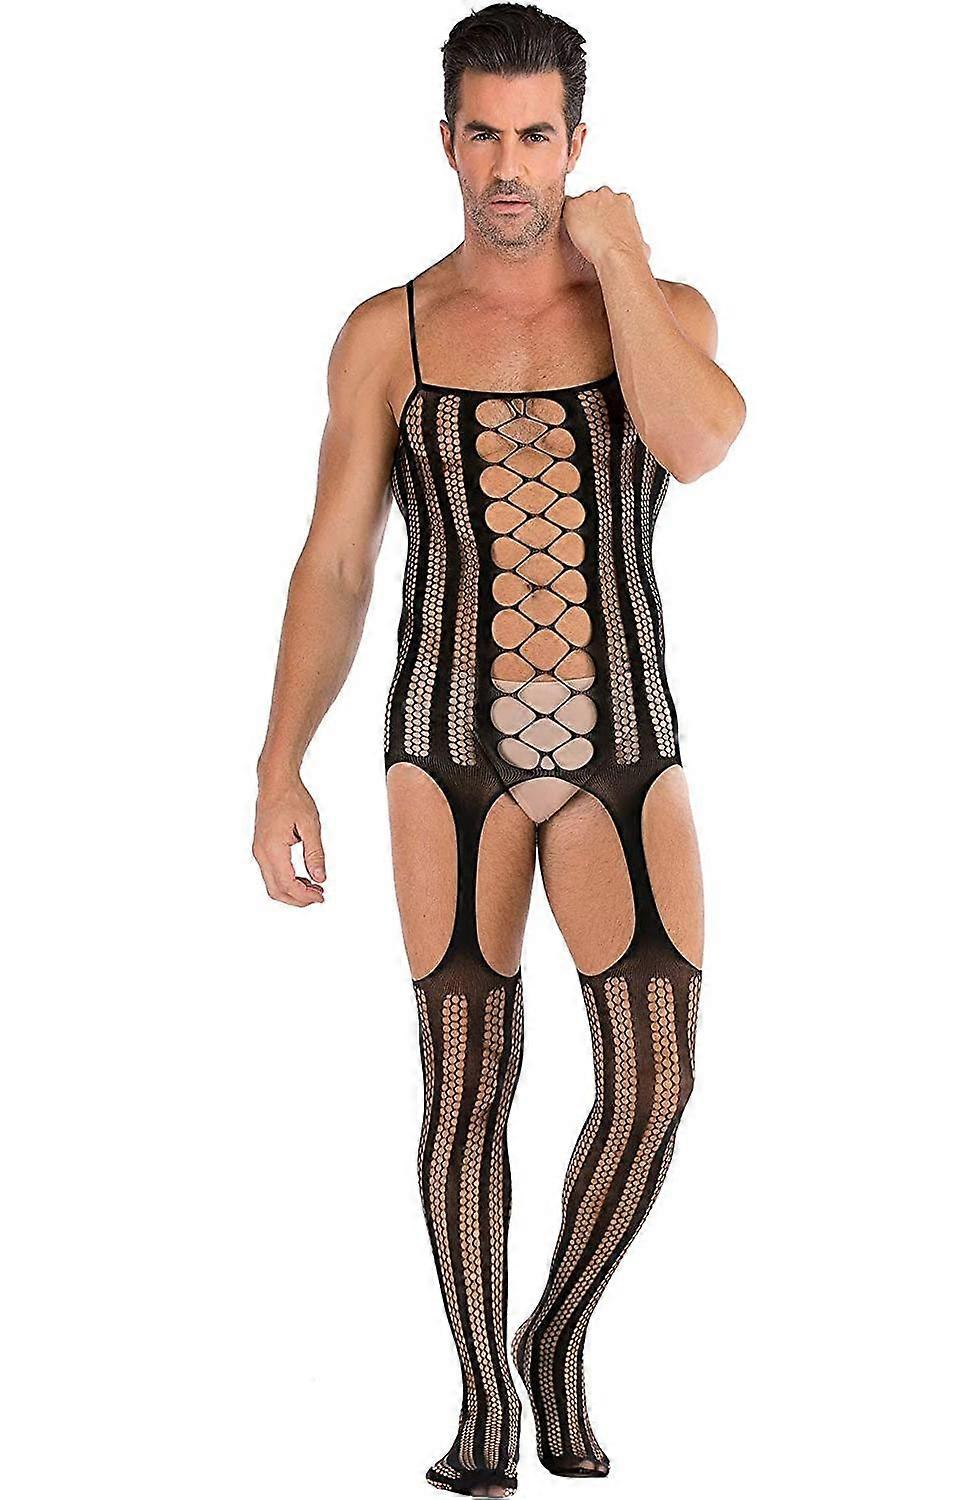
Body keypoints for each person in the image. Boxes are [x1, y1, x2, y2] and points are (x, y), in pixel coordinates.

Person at [253, 4, 746, 1494]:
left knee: (653, 1080)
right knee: (467, 1084)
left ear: (578, 143)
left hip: (623, 742)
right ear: (447, 141)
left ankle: (554, 1333)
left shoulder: (656, 306)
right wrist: (280, 762)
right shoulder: (387, 334)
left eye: (537, 135)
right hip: (444, 744)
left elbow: (701, 442)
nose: (511, 165)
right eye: (485, 133)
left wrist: (622, 264)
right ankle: (480, 1397)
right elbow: (339, 562)